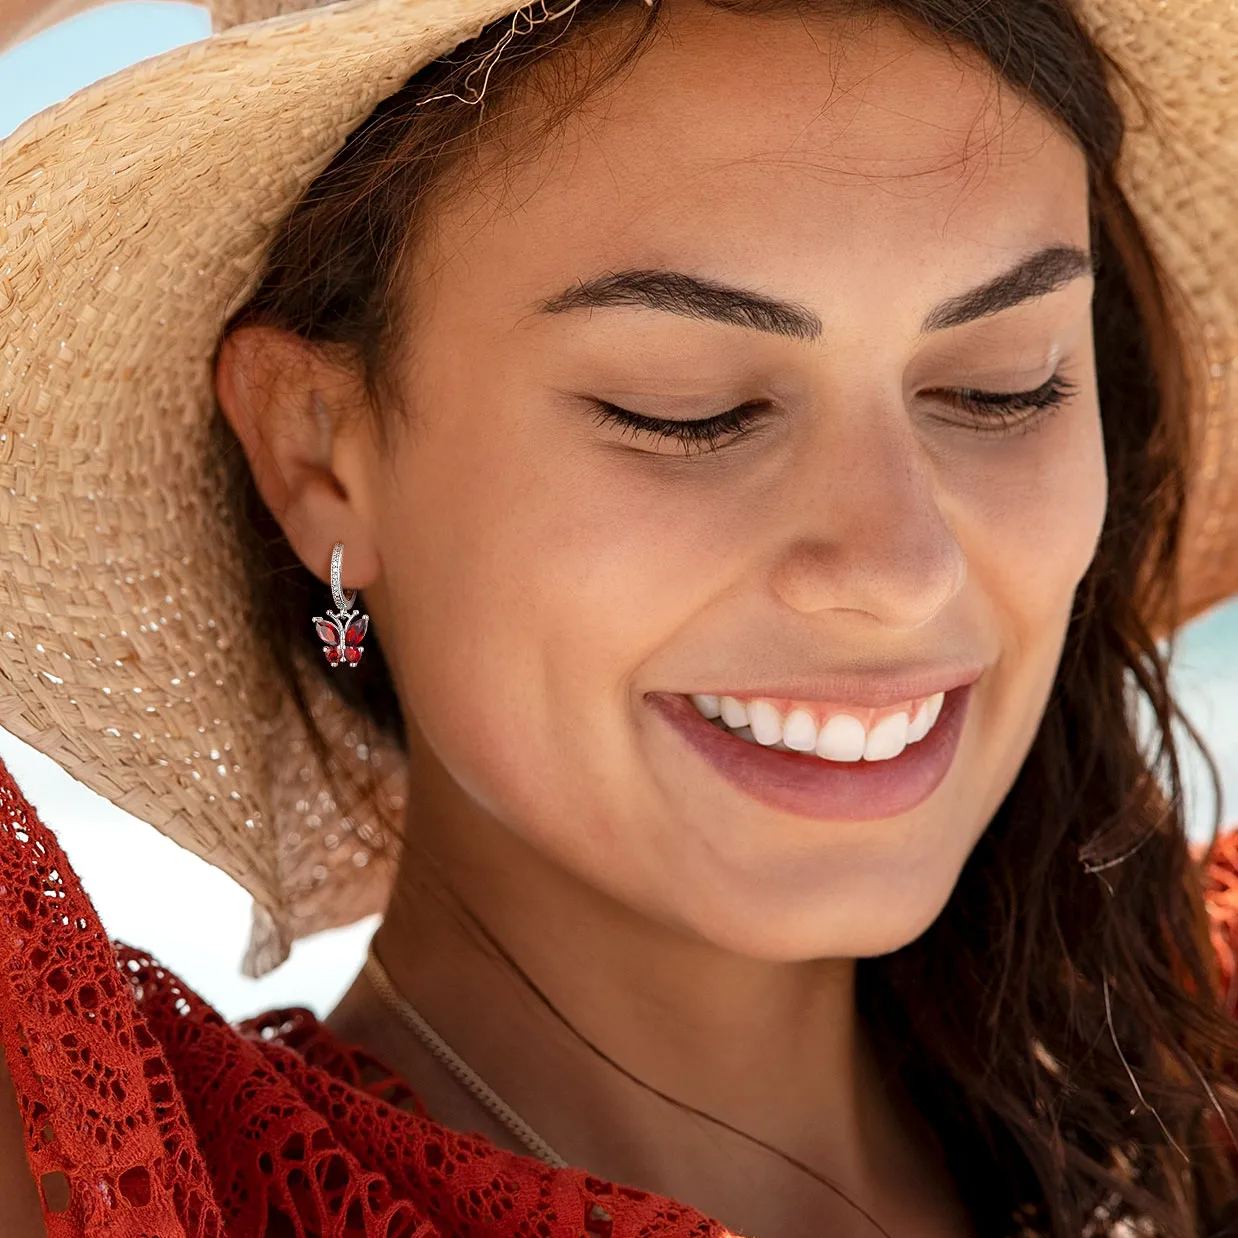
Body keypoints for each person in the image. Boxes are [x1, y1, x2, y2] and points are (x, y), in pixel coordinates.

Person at [0, 0, 1236, 1234]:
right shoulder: (127, 1182)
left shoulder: (1201, 1074)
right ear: (318, 455)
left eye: (998, 387)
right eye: (686, 408)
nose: (898, 565)